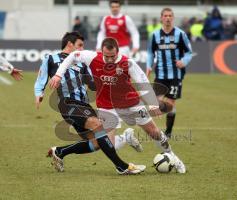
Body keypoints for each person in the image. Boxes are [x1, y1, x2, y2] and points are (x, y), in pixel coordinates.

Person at [49, 37, 186, 173]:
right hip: (107, 107)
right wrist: (58, 75)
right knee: (105, 145)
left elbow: (142, 80)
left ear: (118, 51)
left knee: (154, 133)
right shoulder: (92, 57)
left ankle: (173, 156)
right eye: (106, 56)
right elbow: (72, 55)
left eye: (112, 56)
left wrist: (152, 103)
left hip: (131, 104)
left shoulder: (128, 63)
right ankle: (125, 142)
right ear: (101, 51)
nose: (109, 59)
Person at [34, 32, 144, 175]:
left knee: (97, 143)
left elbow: (93, 84)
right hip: (67, 102)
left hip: (84, 105)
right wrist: (39, 93)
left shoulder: (82, 63)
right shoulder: (51, 58)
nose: (81, 49)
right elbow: (41, 77)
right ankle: (121, 166)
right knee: (97, 126)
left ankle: (60, 152)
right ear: (69, 44)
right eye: (79, 45)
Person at [146, 8, 193, 139]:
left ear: (173, 18)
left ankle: (168, 132)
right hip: (160, 75)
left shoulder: (180, 34)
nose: (167, 18)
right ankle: (154, 130)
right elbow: (150, 52)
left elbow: (189, 52)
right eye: (165, 16)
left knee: (171, 104)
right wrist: (149, 66)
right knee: (156, 103)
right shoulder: (155, 35)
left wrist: (184, 61)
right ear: (161, 18)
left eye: (170, 16)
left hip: (175, 76)